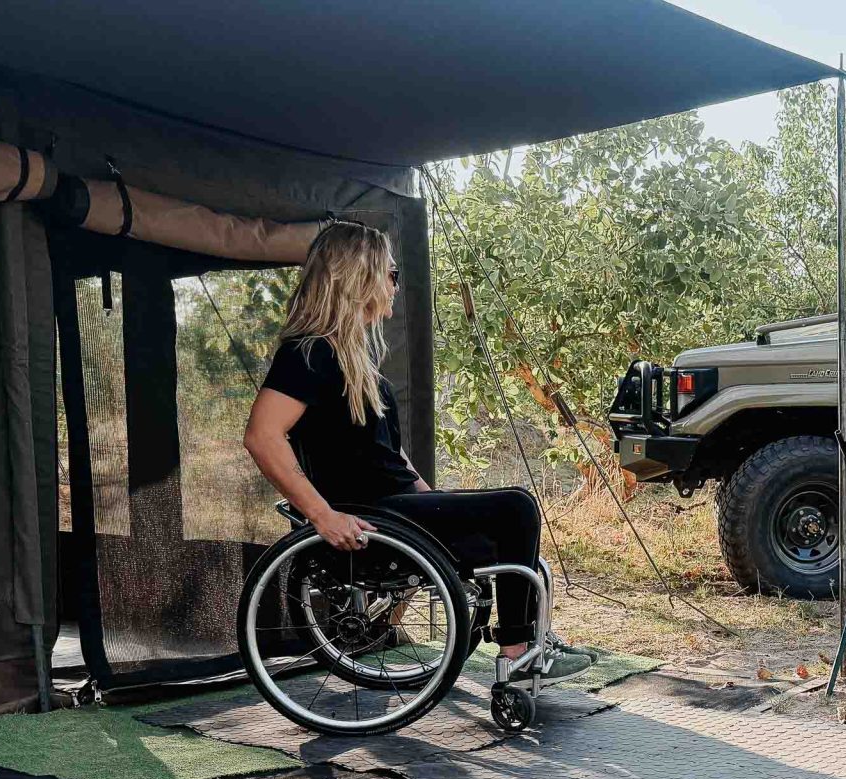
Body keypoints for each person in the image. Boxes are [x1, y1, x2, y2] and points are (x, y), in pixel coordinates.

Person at [243, 220, 589, 680]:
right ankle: (516, 653)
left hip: (398, 507)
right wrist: (323, 516)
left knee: (509, 523)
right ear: (359, 278)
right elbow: (262, 437)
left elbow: (391, 457)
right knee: (518, 507)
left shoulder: (355, 361)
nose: (394, 284)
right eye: (389, 273)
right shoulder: (308, 354)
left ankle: (526, 644)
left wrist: (431, 499)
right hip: (372, 516)